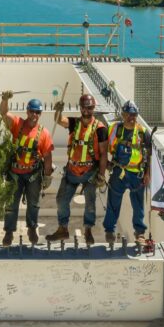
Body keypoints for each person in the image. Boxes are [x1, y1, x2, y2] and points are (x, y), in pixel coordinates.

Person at [46, 93, 107, 244]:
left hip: (89, 172)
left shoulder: (100, 128)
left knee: (90, 203)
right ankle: (63, 229)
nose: (87, 110)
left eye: (90, 107)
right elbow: (59, 120)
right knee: (61, 200)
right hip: (72, 170)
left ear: (93, 108)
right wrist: (58, 111)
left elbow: (104, 153)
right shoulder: (74, 123)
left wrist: (101, 174)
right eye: (84, 107)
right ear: (80, 108)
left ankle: (88, 230)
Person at [0, 94, 54, 246]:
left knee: (34, 204)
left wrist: (47, 176)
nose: (34, 115)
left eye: (37, 112)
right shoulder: (18, 124)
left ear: (40, 114)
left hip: (33, 174)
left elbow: (48, 156)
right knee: (11, 204)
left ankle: (32, 228)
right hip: (15, 173)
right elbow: (4, 113)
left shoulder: (44, 133)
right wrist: (5, 100)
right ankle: (9, 232)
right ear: (27, 111)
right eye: (32, 111)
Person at [103, 100, 150, 246]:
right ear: (123, 114)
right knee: (113, 202)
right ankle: (109, 230)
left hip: (137, 173)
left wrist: (148, 173)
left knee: (138, 205)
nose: (131, 117)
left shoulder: (142, 132)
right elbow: (104, 147)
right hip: (119, 171)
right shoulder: (114, 129)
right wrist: (105, 164)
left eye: (134, 114)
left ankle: (140, 233)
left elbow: (149, 154)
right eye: (128, 114)